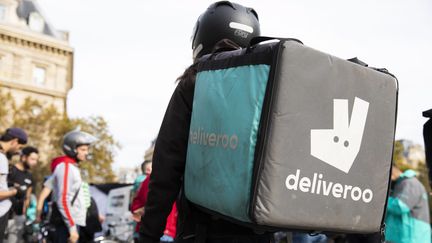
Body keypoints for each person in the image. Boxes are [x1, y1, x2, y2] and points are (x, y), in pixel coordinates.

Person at [139, 2, 269, 243]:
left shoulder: (196, 82)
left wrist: (148, 234)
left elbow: (167, 164)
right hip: (258, 232)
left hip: (202, 229)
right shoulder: (266, 84)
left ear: (203, 36)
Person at [49, 129, 97, 243]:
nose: (86, 152)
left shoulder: (72, 167)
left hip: (71, 223)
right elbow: (63, 199)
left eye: (87, 149)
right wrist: (72, 227)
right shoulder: (66, 167)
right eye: (83, 149)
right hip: (66, 225)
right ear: (72, 149)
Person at [385, 165, 431, 243]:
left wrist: (383, 201)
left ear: (393, 169)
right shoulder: (403, 183)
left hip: (412, 237)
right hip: (407, 237)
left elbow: (400, 206)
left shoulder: (410, 183)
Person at [0, 128, 27, 242]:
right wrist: (15, 191)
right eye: (19, 147)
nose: (17, 151)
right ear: (14, 141)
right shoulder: (1, 158)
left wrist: (8, 184)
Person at [7, 146, 39, 243]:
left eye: (36, 160)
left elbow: (27, 197)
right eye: (32, 159)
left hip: (18, 217)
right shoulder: (10, 171)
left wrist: (24, 215)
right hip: (4, 214)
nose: (35, 162)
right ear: (24, 157)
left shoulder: (30, 176)